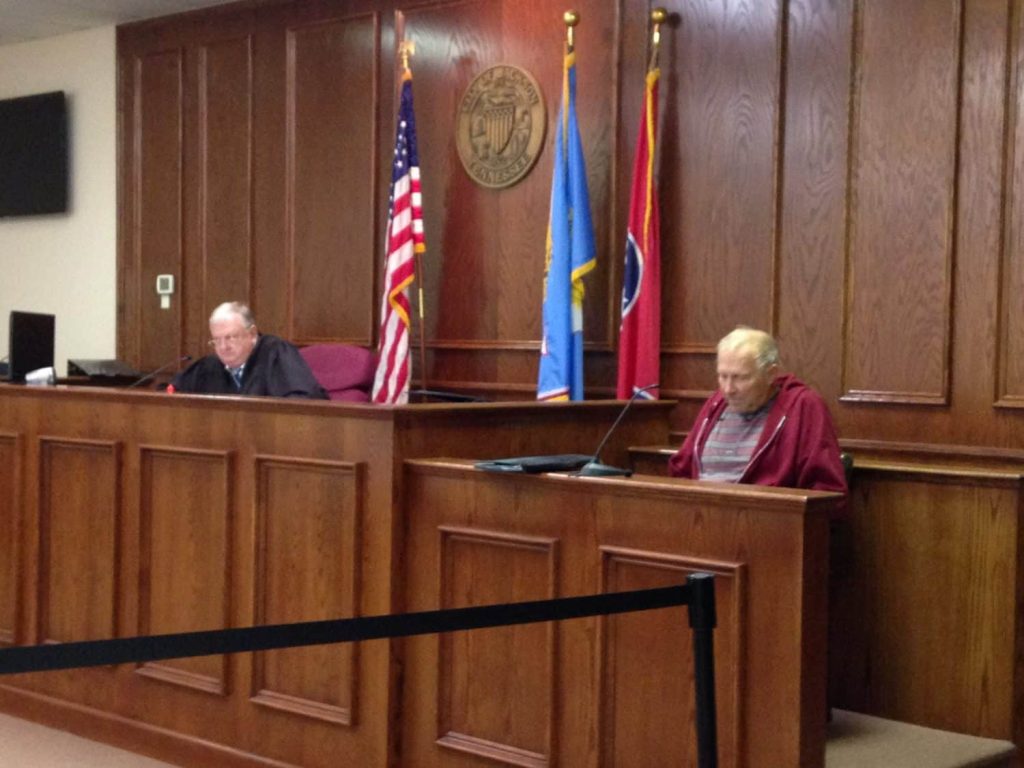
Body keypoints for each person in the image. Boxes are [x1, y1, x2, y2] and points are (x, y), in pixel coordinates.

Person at [668, 327, 846, 497]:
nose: (728, 389)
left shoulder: (803, 405)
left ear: (771, 374)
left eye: (741, 378)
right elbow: (682, 470)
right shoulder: (717, 402)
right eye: (722, 376)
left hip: (764, 513)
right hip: (700, 513)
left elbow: (826, 490)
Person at [170, 302, 327, 400]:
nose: (223, 347)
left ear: (252, 334)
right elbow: (172, 392)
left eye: (230, 338)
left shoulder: (276, 353)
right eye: (217, 340)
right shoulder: (209, 366)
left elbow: (304, 402)